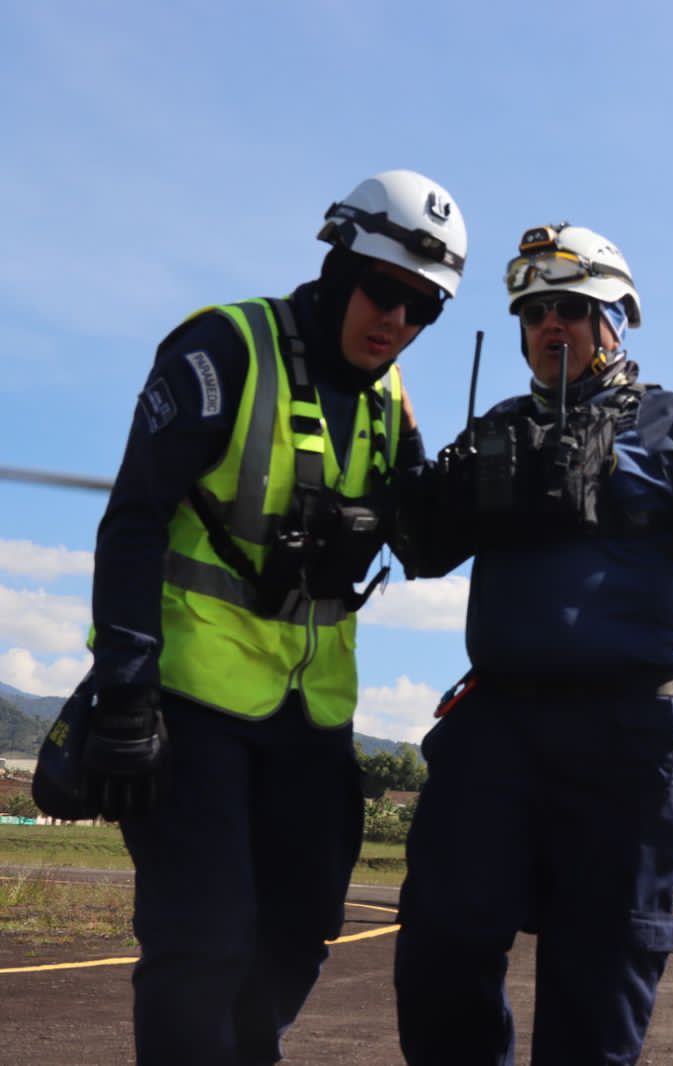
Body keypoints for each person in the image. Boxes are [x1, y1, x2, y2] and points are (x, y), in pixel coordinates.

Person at [392, 221, 673, 1065]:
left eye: (574, 310)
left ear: (618, 319)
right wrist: (399, 437)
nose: (553, 327)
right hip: (501, 721)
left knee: (603, 962)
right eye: (537, 312)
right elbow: (422, 544)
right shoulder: (495, 430)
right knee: (440, 935)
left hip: (632, 733)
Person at [86, 169, 467, 1065]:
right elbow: (135, 517)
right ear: (340, 261)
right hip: (191, 701)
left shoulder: (390, 399)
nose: (398, 324)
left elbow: (425, 539)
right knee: (204, 940)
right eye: (385, 294)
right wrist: (125, 692)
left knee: (298, 933)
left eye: (425, 312)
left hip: (312, 719)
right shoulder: (224, 348)